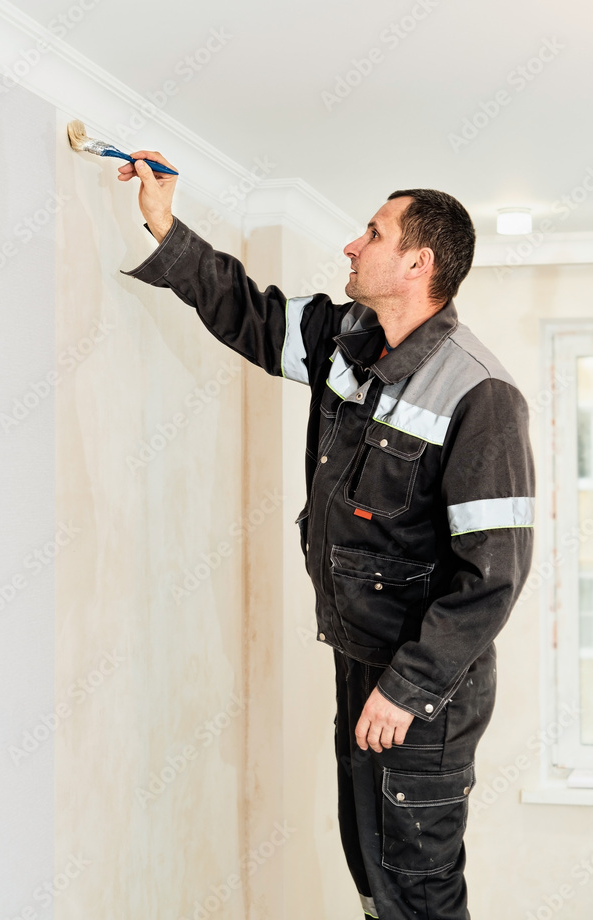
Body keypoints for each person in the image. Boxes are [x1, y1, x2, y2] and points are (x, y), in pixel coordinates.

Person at [117, 151, 535, 920]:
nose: (350, 245)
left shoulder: (479, 393)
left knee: (417, 886)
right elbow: (249, 313)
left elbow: (494, 574)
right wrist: (163, 224)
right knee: (372, 872)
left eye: (370, 233)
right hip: (359, 659)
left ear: (417, 262)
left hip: (424, 691)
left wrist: (406, 690)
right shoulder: (348, 338)